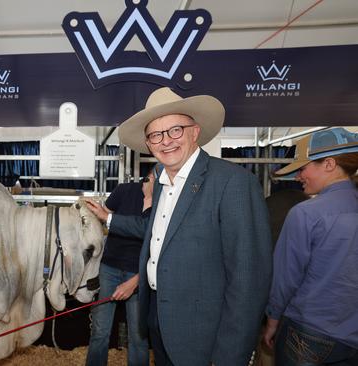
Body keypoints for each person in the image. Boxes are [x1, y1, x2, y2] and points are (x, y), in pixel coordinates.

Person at [85, 87, 272, 366]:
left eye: (175, 130)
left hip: (204, 336)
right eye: (156, 135)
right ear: (148, 144)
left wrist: (230, 356)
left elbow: (249, 281)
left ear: (195, 132)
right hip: (159, 323)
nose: (166, 141)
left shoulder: (233, 183)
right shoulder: (161, 185)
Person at [262, 127, 358, 366]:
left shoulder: (306, 213)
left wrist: (272, 320)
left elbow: (286, 278)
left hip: (308, 332)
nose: (297, 177)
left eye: (303, 168)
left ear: (328, 164)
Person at [85, 174, 154, 366]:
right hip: (110, 267)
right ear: (148, 179)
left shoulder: (164, 200)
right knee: (100, 330)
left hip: (138, 272)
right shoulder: (124, 190)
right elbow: (103, 218)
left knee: (138, 335)